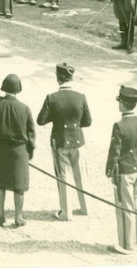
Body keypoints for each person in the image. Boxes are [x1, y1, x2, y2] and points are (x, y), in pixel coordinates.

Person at [37, 63, 91, 221]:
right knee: (81, 175)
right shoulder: (81, 96)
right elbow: (87, 121)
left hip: (60, 140)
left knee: (63, 177)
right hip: (78, 140)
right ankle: (85, 207)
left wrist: (56, 118)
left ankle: (66, 212)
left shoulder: (52, 98)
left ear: (57, 78)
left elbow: (41, 120)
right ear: (71, 78)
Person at [105, 85, 137, 255]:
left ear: (124, 104)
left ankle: (126, 245)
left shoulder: (119, 125)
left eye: (120, 102)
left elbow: (115, 152)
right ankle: (135, 241)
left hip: (125, 171)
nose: (118, 104)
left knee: (125, 207)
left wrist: (109, 170)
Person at [0, 74, 35, 228]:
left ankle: (0, 214)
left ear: (4, 88)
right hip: (19, 152)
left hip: (0, 149)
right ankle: (18, 216)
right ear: (18, 90)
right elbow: (31, 132)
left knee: (0, 184)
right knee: (19, 186)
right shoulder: (25, 108)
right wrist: (30, 151)